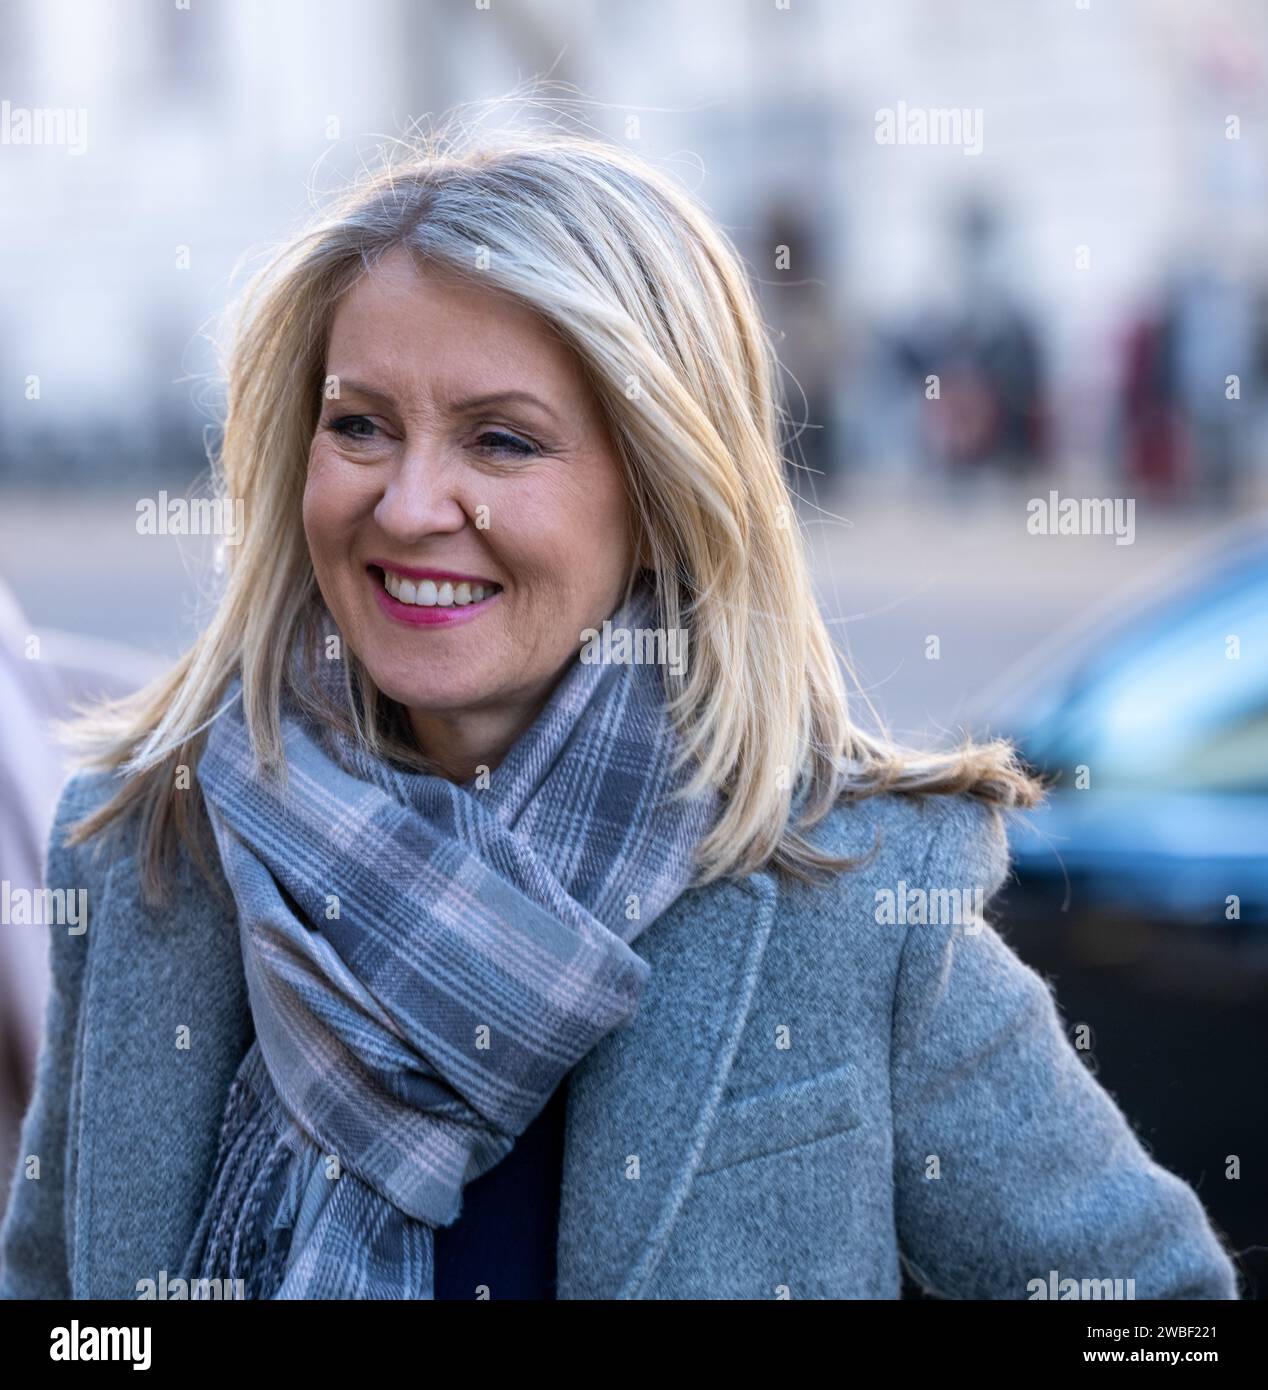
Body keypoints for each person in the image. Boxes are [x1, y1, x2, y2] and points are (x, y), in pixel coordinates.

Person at [0, 116, 1239, 1301]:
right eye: (360, 426)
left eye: (500, 441)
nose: (409, 504)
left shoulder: (853, 894)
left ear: (661, 493)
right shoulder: (145, 846)